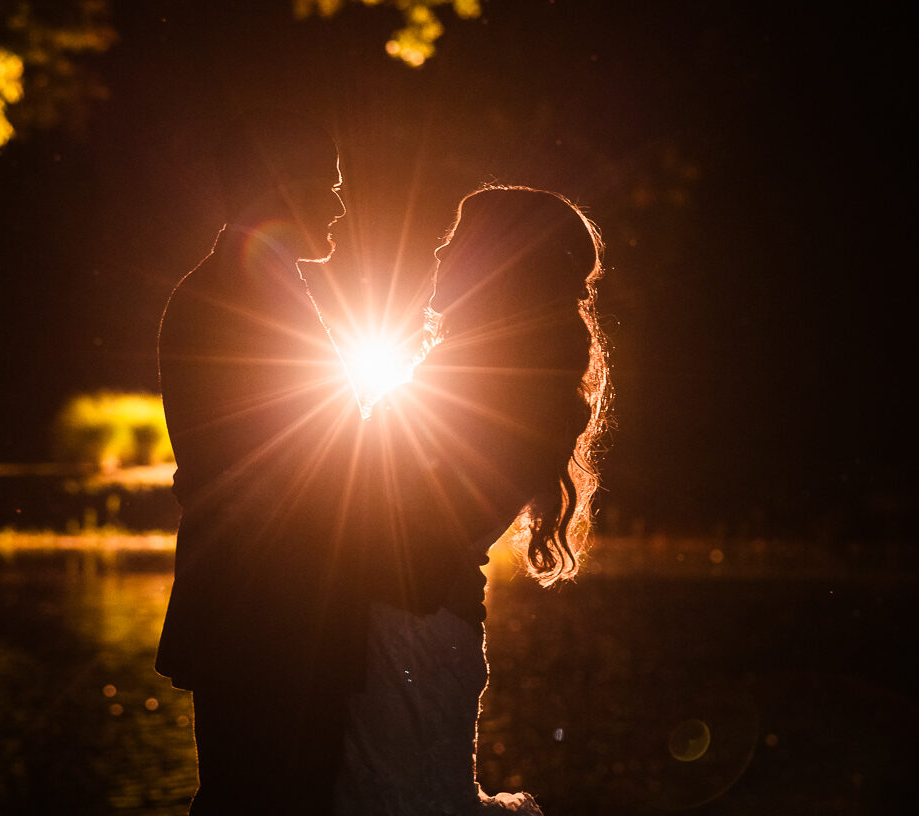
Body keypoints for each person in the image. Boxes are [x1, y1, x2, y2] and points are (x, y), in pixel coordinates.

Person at [335, 186, 609, 815]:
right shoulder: (490, 374)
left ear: (500, 264)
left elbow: (399, 521)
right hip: (420, 629)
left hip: (406, 633)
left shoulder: (489, 384)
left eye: (457, 239)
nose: (439, 249)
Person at [155, 112, 365, 815]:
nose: (340, 205)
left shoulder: (248, 284)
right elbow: (308, 464)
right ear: (279, 188)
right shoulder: (243, 295)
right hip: (269, 613)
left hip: (254, 607)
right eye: (325, 186)